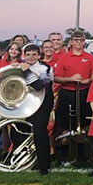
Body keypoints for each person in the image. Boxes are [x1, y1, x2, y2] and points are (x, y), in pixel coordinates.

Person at [53, 30, 93, 163]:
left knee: (81, 125)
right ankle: (64, 155)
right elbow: (57, 78)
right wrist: (71, 79)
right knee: (65, 125)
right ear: (71, 42)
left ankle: (81, 155)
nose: (78, 43)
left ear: (84, 42)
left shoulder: (90, 58)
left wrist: (86, 81)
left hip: (83, 93)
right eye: (76, 40)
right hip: (67, 93)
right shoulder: (64, 57)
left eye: (81, 40)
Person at [16, 43, 55, 175]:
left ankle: (44, 166)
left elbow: (40, 85)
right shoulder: (18, 66)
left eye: (34, 54)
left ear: (39, 55)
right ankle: (22, 161)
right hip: (24, 102)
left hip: (43, 103)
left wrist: (26, 71)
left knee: (39, 132)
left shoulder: (46, 68)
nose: (31, 57)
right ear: (24, 55)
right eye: (28, 55)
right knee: (17, 131)